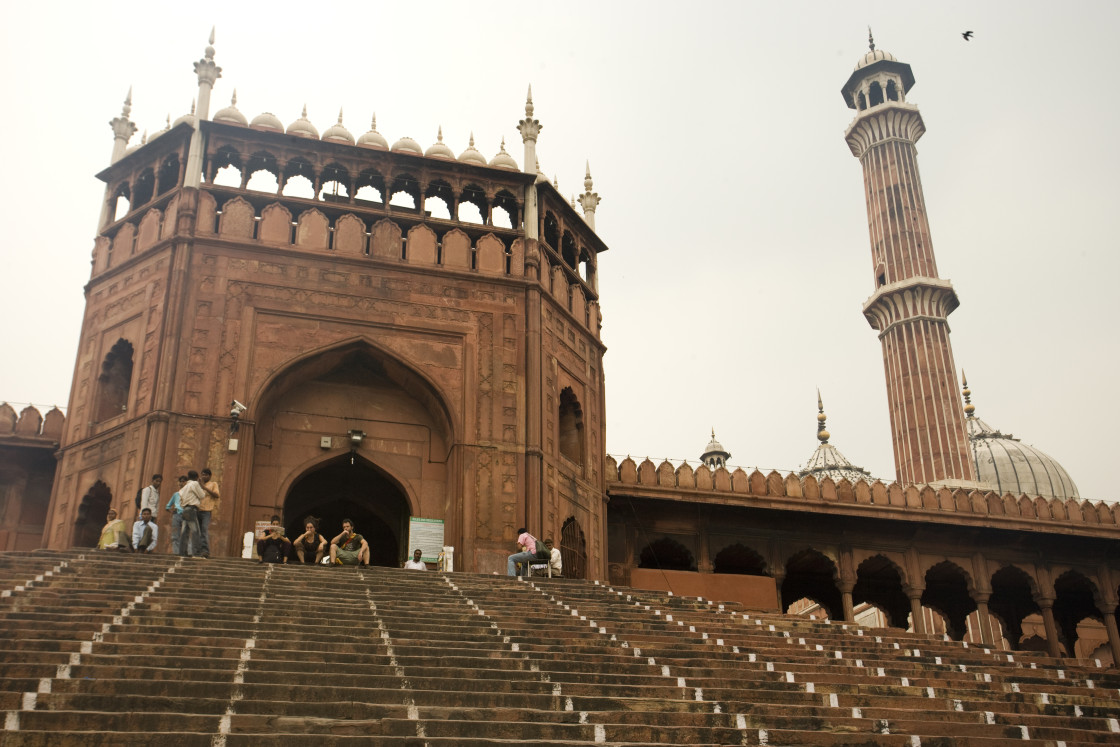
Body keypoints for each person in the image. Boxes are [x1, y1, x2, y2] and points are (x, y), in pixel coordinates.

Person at [178, 470, 205, 558]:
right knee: (195, 531)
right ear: (197, 477)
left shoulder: (184, 487)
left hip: (185, 509)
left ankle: (182, 552)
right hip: (192, 509)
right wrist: (201, 485)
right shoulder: (194, 484)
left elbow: (180, 499)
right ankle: (197, 553)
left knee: (184, 532)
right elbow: (202, 495)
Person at [197, 468, 221, 559]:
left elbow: (216, 495)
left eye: (206, 475)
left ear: (210, 476)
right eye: (202, 474)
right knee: (197, 531)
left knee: (204, 530)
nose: (204, 476)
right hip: (197, 510)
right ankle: (198, 550)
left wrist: (204, 488)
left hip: (206, 511)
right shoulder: (198, 485)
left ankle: (205, 551)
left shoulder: (213, 484)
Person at [164, 475, 187, 554]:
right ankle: (176, 552)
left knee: (185, 535)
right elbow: (167, 506)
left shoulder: (189, 494)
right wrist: (172, 511)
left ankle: (183, 552)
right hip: (176, 514)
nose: (181, 483)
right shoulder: (176, 494)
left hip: (186, 515)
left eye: (183, 481)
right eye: (180, 481)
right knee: (175, 535)